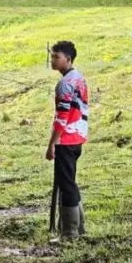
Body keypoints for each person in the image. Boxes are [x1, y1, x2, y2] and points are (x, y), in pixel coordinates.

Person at [46, 40, 88, 240]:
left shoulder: (64, 84)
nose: (53, 60)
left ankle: (69, 233)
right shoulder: (79, 78)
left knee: (66, 184)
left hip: (66, 139)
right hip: (78, 135)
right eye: (52, 56)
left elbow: (61, 117)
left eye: (57, 57)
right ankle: (79, 228)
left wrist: (52, 143)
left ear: (68, 59)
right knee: (69, 181)